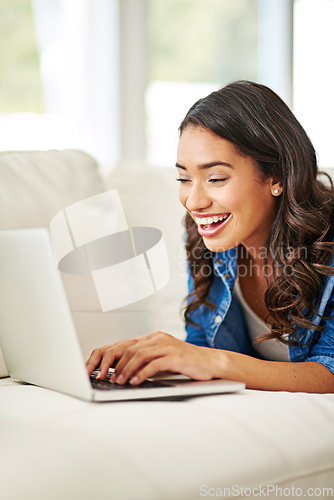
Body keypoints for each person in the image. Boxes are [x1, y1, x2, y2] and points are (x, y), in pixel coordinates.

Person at [86, 81, 334, 393]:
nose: (193, 201)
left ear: (277, 177)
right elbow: (202, 343)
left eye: (215, 178)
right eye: (184, 178)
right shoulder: (210, 244)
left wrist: (215, 362)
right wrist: (153, 358)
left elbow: (330, 370)